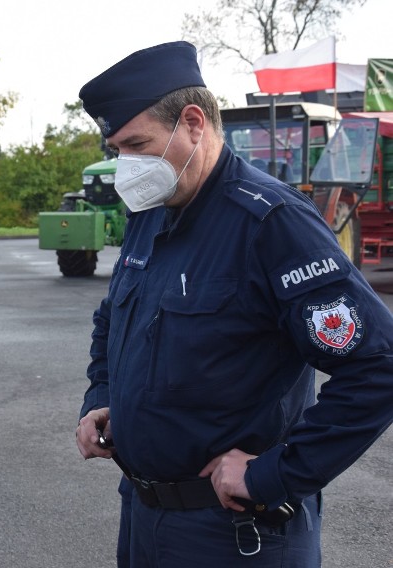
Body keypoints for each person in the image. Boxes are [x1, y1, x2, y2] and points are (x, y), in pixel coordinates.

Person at [74, 41, 393, 567]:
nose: (125, 166)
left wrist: (275, 472)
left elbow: (377, 367)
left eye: (137, 145)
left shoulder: (271, 223)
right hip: (144, 517)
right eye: (118, 151)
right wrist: (102, 394)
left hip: (236, 534)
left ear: (193, 123)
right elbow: (114, 317)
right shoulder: (151, 214)